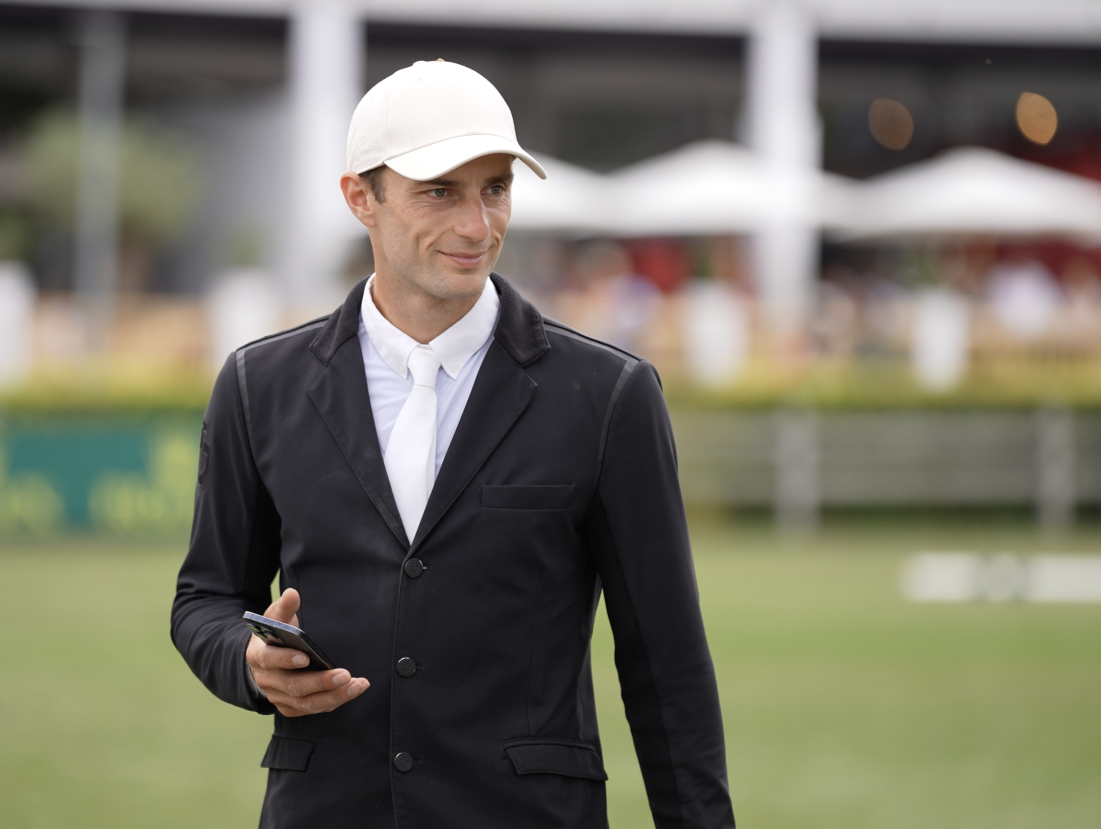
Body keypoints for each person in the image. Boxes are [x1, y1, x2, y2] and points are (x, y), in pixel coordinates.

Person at [172, 59, 733, 829]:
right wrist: (247, 660)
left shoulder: (609, 394)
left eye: (495, 188)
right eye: (440, 191)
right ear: (360, 198)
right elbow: (204, 599)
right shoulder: (257, 384)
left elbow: (667, 663)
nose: (478, 225)